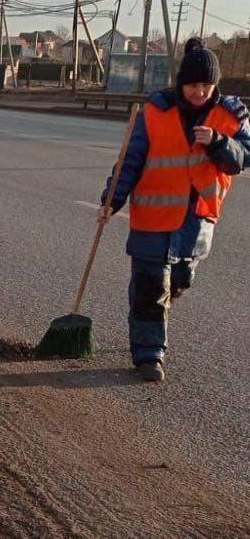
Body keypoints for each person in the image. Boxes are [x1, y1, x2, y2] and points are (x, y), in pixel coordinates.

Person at [100, 37, 249, 382]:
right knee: (151, 285)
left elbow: (244, 158)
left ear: (215, 84)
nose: (199, 91)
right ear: (181, 83)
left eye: (206, 84)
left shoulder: (231, 115)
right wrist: (112, 200)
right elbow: (131, 160)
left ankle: (163, 302)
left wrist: (219, 143)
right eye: (193, 84)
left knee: (180, 278)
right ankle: (149, 354)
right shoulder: (155, 111)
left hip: (197, 219)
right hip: (153, 216)